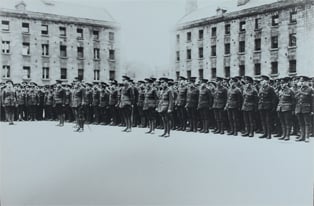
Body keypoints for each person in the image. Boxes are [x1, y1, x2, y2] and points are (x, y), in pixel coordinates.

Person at [295, 76, 314, 142]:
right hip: (299, 108)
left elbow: (312, 101)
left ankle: (307, 137)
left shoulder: (310, 89)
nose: (301, 83)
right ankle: (302, 136)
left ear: (306, 82)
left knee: (307, 123)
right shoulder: (299, 89)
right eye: (301, 81)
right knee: (301, 123)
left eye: (303, 81)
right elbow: (296, 98)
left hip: (306, 108)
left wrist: (312, 110)